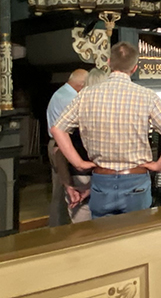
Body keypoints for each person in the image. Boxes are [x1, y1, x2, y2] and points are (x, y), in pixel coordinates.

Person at [51, 42, 161, 218]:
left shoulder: (86, 95)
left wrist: (78, 163)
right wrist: (159, 165)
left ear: (108, 63)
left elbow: (57, 130)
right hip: (135, 179)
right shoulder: (147, 96)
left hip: (102, 179)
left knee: (103, 233)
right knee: (136, 233)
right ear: (135, 67)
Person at [50, 68, 108, 224]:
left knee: (83, 232)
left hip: (80, 177)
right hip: (107, 178)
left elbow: (58, 149)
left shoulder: (76, 110)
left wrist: (67, 183)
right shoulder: (111, 115)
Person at [45, 69, 89, 227]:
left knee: (61, 191)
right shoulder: (70, 98)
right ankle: (58, 230)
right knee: (64, 190)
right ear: (82, 85)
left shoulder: (61, 93)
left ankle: (58, 228)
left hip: (58, 143)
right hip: (62, 146)